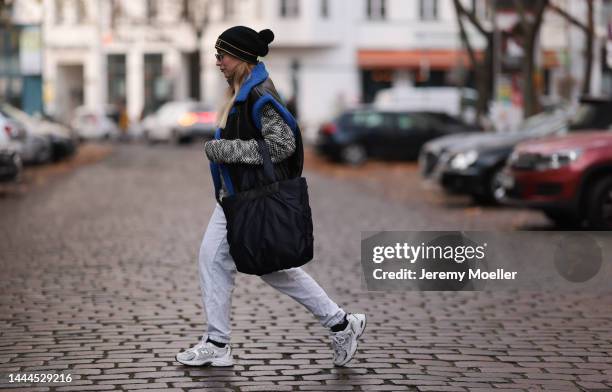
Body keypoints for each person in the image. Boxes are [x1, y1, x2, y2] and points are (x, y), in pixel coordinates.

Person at [175, 26, 366, 368]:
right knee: (231, 261)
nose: (217, 61)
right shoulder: (241, 91)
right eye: (216, 55)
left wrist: (224, 149)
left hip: (253, 198)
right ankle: (338, 323)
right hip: (238, 198)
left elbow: (282, 145)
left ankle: (337, 323)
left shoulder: (259, 94)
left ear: (242, 58)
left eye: (223, 55)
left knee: (256, 265)